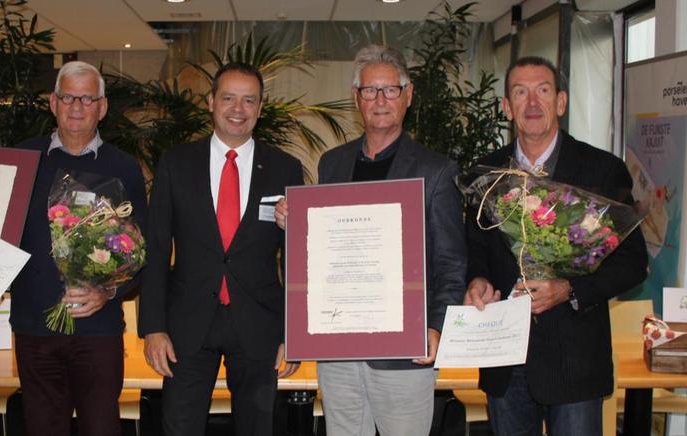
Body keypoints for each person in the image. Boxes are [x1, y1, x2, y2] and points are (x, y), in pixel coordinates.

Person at [0, 60, 147, 436]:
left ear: (103, 107)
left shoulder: (124, 167)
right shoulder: (21, 160)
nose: (76, 107)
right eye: (68, 97)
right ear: (52, 102)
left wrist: (109, 290)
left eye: (87, 98)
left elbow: (143, 252)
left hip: (98, 331)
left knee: (102, 429)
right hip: (35, 329)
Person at [275, 44, 467, 435]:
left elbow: (451, 262)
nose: (380, 100)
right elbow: (321, 256)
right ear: (356, 98)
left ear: (408, 95)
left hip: (404, 351)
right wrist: (294, 223)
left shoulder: (436, 170)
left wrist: (435, 327)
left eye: (390, 89)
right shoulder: (333, 163)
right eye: (369, 91)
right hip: (338, 351)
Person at [464, 56, 647, 435]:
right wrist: (477, 280)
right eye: (520, 92)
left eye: (543, 91)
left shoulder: (601, 170)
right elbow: (476, 249)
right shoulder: (485, 175)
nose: (532, 103)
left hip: (575, 363)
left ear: (561, 102)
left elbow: (633, 262)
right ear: (506, 107)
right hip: (505, 363)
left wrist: (570, 289)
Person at [138, 62, 303, 436]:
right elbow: (157, 248)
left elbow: (297, 259)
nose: (238, 109)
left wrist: (295, 334)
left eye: (249, 100)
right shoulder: (176, 163)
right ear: (211, 101)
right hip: (187, 326)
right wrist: (153, 327)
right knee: (179, 427)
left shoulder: (284, 168)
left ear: (260, 108)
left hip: (259, 325)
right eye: (228, 98)